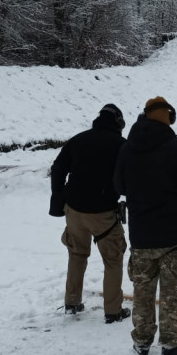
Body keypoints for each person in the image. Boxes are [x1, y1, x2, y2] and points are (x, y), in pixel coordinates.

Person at [114, 96, 177, 355]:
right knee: (172, 293)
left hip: (141, 236)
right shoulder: (176, 148)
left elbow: (119, 186)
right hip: (174, 235)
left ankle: (141, 344)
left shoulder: (128, 149)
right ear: (168, 117)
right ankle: (170, 347)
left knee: (142, 292)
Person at [49, 103, 130, 324]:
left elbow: (57, 169)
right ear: (118, 123)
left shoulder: (78, 139)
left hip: (74, 211)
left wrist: (58, 203)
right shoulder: (121, 145)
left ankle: (72, 302)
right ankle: (113, 311)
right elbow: (130, 178)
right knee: (113, 259)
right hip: (104, 213)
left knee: (76, 255)